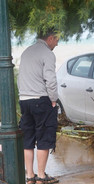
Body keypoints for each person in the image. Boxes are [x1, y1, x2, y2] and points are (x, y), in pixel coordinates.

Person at [18, 28, 60, 183]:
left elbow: (21, 77)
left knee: (28, 138)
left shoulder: (26, 51)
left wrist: (23, 96)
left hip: (24, 100)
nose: (57, 43)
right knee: (44, 137)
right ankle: (41, 176)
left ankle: (30, 176)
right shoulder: (48, 54)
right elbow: (50, 79)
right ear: (50, 38)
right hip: (41, 100)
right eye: (56, 40)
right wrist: (54, 99)